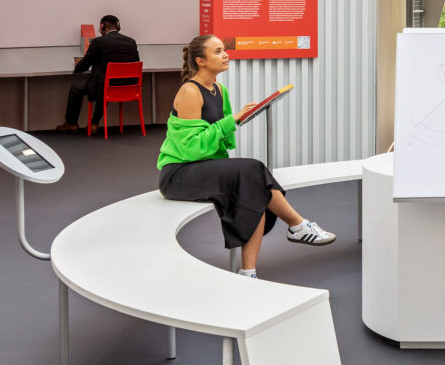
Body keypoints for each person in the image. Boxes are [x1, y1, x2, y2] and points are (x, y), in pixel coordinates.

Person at [157, 35, 335, 277]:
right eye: (218, 51)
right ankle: (298, 225)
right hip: (179, 174)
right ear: (201, 60)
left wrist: (242, 118)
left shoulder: (220, 90)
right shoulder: (189, 91)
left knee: (253, 186)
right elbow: (191, 148)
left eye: (224, 50)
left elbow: (223, 137)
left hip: (206, 166)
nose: (225, 54)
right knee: (252, 171)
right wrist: (234, 119)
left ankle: (248, 272)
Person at [57, 14, 140, 132]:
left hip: (104, 88)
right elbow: (136, 63)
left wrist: (76, 71)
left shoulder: (98, 42)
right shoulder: (131, 42)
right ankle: (94, 123)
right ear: (118, 28)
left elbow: (85, 64)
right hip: (127, 88)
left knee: (77, 87)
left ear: (102, 27)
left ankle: (71, 123)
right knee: (105, 82)